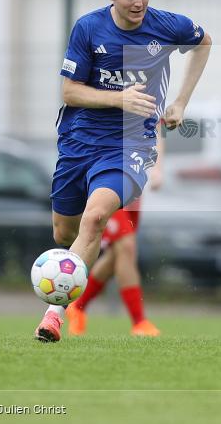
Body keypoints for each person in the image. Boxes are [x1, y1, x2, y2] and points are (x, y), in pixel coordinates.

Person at [35, 0, 212, 342]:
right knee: (64, 234)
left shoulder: (166, 26)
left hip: (132, 144)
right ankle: (74, 290)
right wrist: (119, 97)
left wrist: (181, 101)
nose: (139, 3)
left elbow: (205, 43)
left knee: (95, 218)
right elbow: (69, 91)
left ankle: (55, 315)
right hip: (80, 141)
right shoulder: (88, 29)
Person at [64, 123, 165, 338]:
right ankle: (139, 322)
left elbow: (158, 127)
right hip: (108, 175)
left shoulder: (152, 92)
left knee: (116, 256)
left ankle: (78, 306)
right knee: (126, 247)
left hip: (135, 179)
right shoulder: (106, 90)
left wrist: (158, 167)